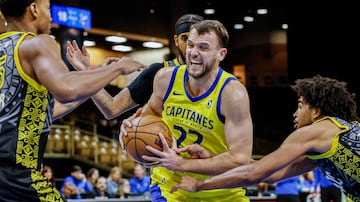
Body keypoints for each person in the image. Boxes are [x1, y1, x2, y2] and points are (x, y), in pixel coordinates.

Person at [0, 0, 143, 200]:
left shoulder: (4, 48)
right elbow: (66, 89)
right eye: (48, 9)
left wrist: (95, 75)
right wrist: (117, 68)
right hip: (18, 177)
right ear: (33, 9)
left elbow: (50, 110)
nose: (50, 17)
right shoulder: (38, 42)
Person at [120, 20, 253, 201]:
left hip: (221, 191)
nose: (193, 53)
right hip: (170, 186)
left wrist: (183, 164)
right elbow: (151, 112)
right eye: (190, 45)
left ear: (221, 54)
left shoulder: (232, 94)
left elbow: (240, 159)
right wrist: (132, 127)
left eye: (203, 48)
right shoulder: (166, 78)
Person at [170, 75, 360, 201]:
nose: (295, 113)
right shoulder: (325, 144)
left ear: (316, 112)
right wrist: (213, 158)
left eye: (300, 106)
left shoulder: (316, 131)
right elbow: (271, 174)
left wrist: (200, 184)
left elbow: (254, 174)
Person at [65, 14, 204, 120]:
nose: (190, 46)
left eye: (196, 39)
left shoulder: (219, 79)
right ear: (176, 40)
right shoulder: (157, 73)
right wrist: (87, 71)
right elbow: (112, 108)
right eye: (185, 39)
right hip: (163, 155)